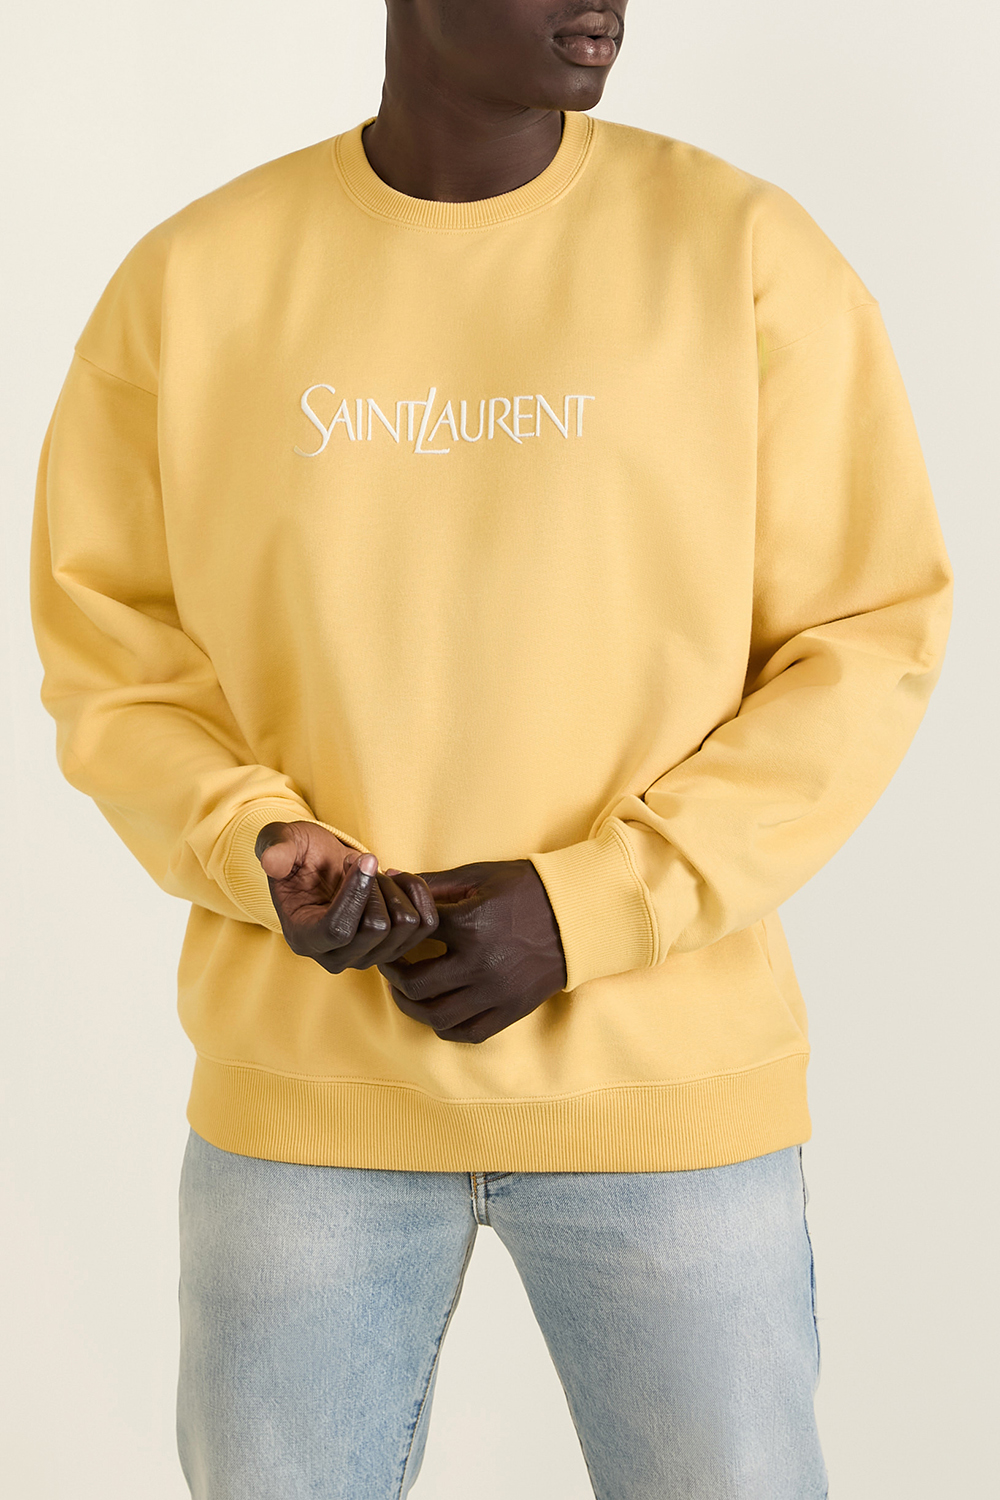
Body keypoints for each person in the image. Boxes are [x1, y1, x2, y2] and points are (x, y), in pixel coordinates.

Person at [29, 1, 953, 1495]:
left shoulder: (743, 253)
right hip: (307, 1101)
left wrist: (593, 907)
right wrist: (259, 845)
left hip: (666, 1092)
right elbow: (112, 652)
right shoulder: (196, 280)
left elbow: (862, 641)